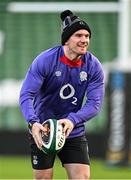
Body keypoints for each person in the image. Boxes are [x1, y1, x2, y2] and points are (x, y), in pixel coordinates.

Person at [19, 9, 105, 180]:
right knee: (43, 178)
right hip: (44, 128)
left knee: (82, 178)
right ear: (67, 39)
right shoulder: (45, 60)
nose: (84, 40)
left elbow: (94, 104)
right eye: (79, 35)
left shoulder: (93, 66)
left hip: (72, 130)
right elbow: (26, 95)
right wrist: (33, 122)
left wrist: (72, 120)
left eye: (87, 36)